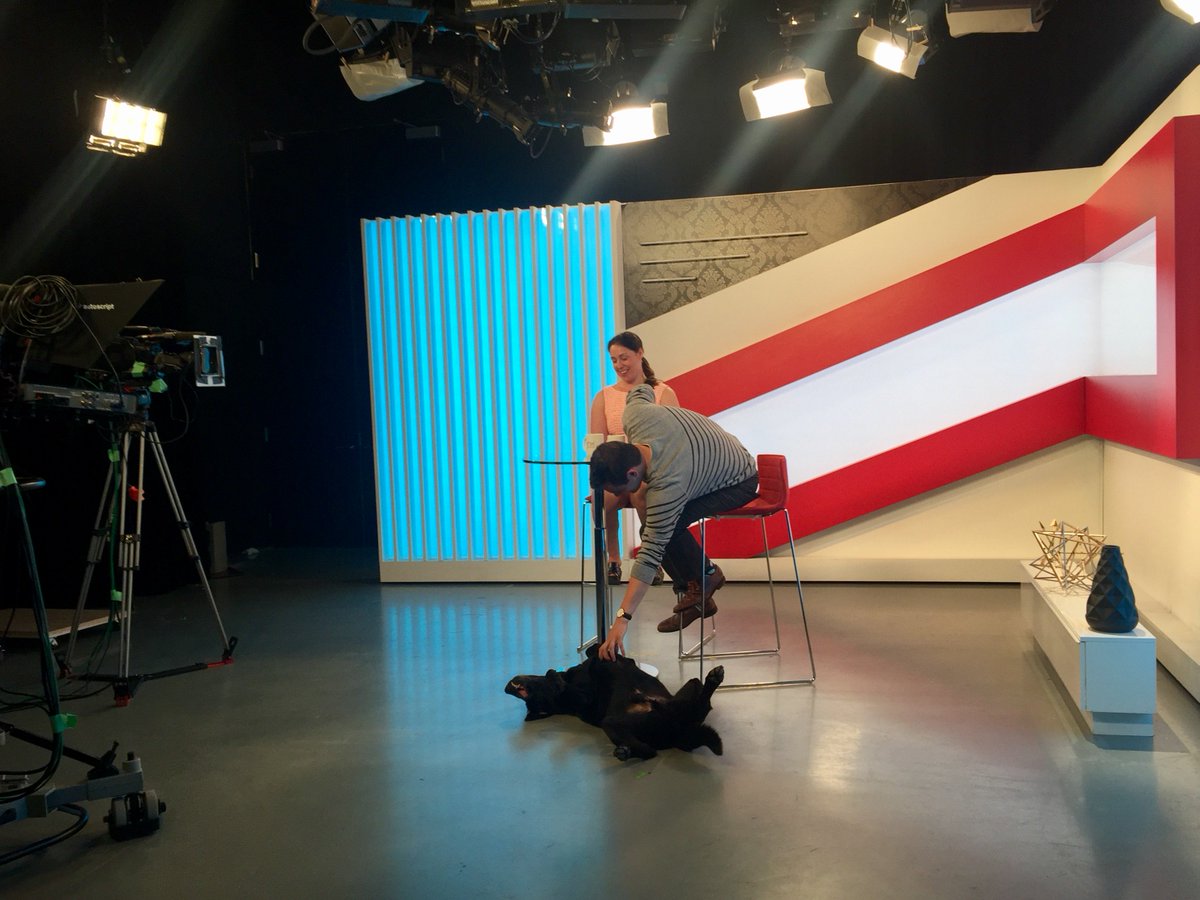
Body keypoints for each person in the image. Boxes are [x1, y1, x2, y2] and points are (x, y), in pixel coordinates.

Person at [589, 384, 758, 661]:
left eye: (618, 489)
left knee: (662, 530)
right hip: (707, 460)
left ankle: (706, 578)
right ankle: (700, 588)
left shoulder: (668, 486)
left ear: (632, 472)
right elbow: (640, 390)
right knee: (660, 528)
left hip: (738, 479)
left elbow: (650, 555)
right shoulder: (636, 415)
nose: (619, 496)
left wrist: (622, 619)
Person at [588, 331, 679, 585]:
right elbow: (597, 444)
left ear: (640, 353)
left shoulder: (662, 393)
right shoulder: (603, 396)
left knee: (642, 493)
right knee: (602, 497)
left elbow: (674, 441)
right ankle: (613, 561)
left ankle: (653, 561)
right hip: (616, 471)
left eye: (624, 358)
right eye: (614, 360)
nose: (619, 365)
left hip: (650, 472)